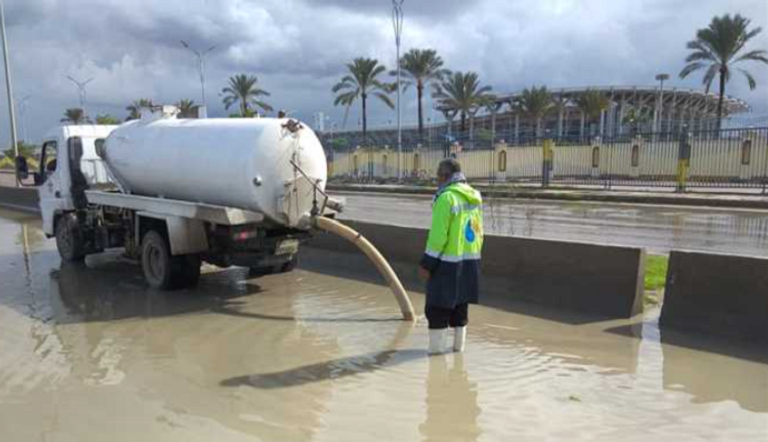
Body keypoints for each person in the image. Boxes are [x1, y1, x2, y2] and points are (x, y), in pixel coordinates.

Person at [419, 158, 483, 354]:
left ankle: (436, 357)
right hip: (470, 262)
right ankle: (458, 353)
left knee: (437, 310)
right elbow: (479, 231)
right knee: (460, 308)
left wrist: (427, 264)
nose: (437, 181)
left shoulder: (446, 198)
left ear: (444, 176)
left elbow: (438, 237)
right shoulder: (474, 196)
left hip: (446, 264)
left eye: (438, 177)